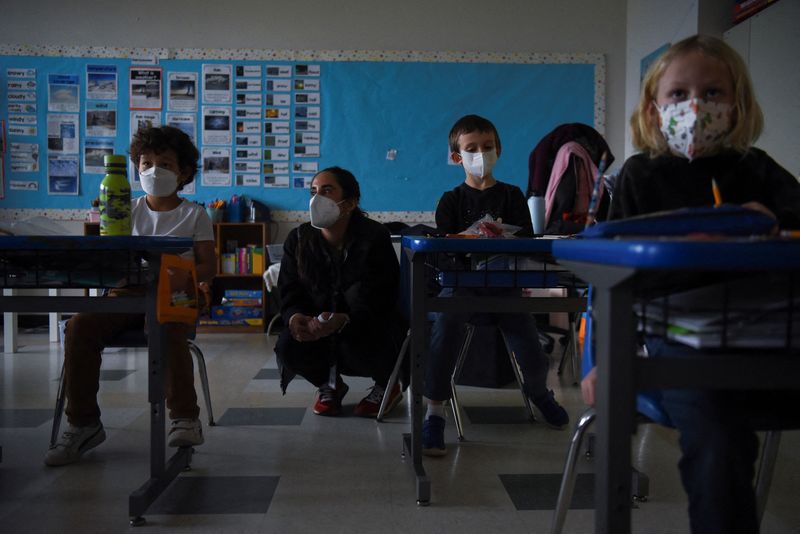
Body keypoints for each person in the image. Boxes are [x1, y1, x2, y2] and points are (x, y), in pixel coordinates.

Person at [581, 35, 800, 534]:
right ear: (654, 108)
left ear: (738, 104)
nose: (696, 106)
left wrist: (774, 216)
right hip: (677, 339)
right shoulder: (641, 174)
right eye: (678, 94)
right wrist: (603, 357)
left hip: (765, 333)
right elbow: (611, 273)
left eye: (713, 93)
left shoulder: (756, 168)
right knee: (721, 431)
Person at [45, 125, 216, 466]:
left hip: (179, 289)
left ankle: (184, 417)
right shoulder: (125, 209)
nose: (154, 170)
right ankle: (83, 424)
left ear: (183, 172)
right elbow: (106, 264)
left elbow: (208, 268)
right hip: (128, 289)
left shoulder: (195, 214)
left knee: (164, 326)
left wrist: (177, 269)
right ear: (136, 167)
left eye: (166, 163)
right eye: (146, 162)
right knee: (80, 326)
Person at [422, 114, 570, 457]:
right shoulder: (451, 200)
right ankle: (434, 412)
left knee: (530, 346)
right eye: (471, 148)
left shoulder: (512, 195)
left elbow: (528, 242)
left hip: (505, 285)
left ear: (498, 150)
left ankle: (539, 393)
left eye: (487, 147)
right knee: (445, 327)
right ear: (457, 157)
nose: (480, 154)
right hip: (462, 286)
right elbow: (445, 250)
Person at [275, 166, 404, 418]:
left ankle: (386, 385)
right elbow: (288, 288)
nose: (317, 198)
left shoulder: (374, 237)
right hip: (316, 326)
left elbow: (382, 294)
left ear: (350, 202)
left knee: (364, 339)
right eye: (313, 191)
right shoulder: (298, 239)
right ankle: (329, 385)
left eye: (327, 190)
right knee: (288, 345)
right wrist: (295, 317)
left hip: (365, 326)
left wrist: (344, 319)